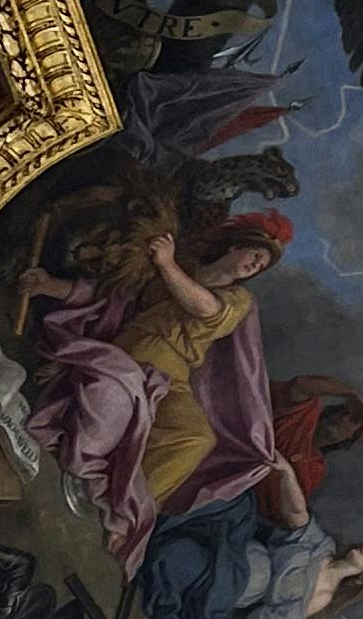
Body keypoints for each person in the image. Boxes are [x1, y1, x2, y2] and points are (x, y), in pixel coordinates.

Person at [19, 210, 286, 569]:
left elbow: (205, 308)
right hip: (129, 353)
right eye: (255, 255)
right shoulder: (182, 265)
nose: (255, 265)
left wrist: (166, 265)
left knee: (195, 437)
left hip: (172, 375)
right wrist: (49, 285)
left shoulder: (238, 300)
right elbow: (113, 297)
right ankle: (86, 474)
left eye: (262, 265)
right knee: (115, 399)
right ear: (235, 247)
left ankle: (126, 513)